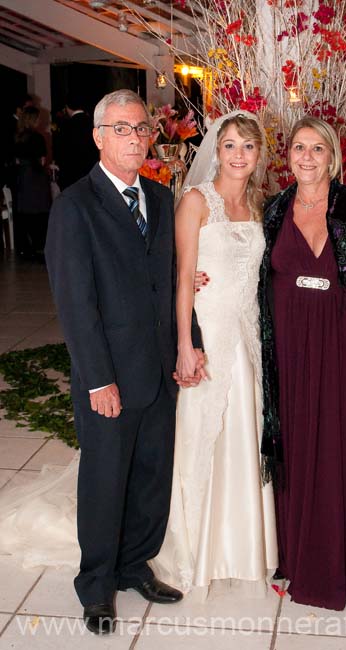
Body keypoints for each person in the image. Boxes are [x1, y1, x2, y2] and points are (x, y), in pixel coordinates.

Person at [44, 88, 204, 635]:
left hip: (160, 369)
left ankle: (136, 565)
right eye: (121, 129)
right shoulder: (74, 208)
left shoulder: (160, 199)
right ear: (98, 137)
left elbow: (175, 283)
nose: (135, 138)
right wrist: (97, 380)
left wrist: (190, 343)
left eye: (140, 128)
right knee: (105, 482)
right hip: (108, 376)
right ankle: (96, 586)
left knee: (151, 477)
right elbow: (75, 305)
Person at [259, 116, 346, 614]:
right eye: (299, 148)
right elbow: (252, 267)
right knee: (294, 448)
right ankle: (298, 557)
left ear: (333, 158)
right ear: (288, 155)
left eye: (318, 149)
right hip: (289, 347)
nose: (308, 157)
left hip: (341, 342)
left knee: (345, 448)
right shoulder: (274, 208)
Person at [151, 110, 278, 597]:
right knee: (204, 433)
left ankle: (246, 547)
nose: (239, 155)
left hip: (248, 334)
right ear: (216, 149)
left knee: (247, 433)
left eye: (248, 146)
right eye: (229, 145)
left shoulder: (260, 202)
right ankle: (197, 547)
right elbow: (183, 277)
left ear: (259, 154)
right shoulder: (195, 201)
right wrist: (186, 345)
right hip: (209, 333)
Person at [14, 106, 52, 258]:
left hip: (22, 177)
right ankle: (39, 245)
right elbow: (42, 160)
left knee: (24, 212)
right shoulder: (37, 138)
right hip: (35, 177)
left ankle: (24, 247)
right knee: (40, 210)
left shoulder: (17, 136)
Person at [56, 91, 98, 190]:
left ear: (67, 107)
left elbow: (60, 153)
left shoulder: (65, 126)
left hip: (71, 176)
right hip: (91, 174)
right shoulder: (93, 124)